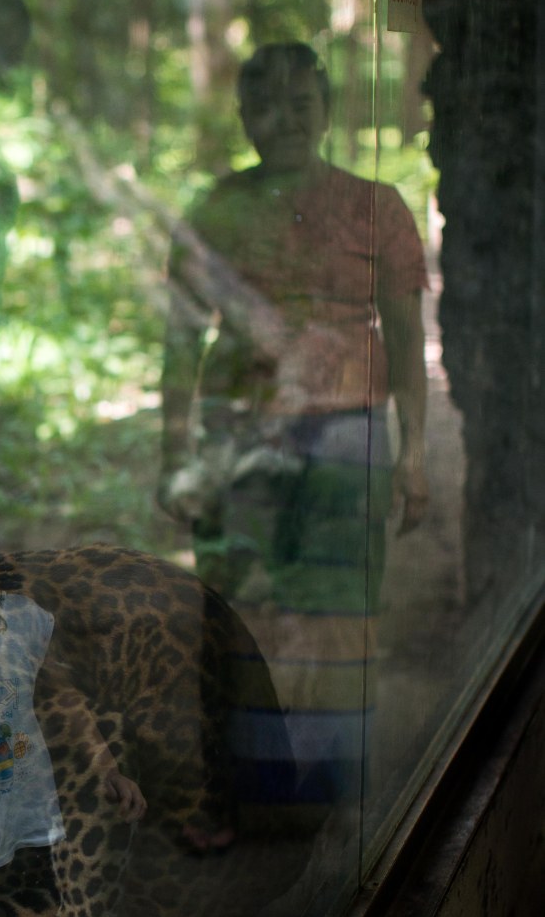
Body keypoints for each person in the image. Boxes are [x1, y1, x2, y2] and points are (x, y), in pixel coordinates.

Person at [159, 42, 429, 821]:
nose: (284, 121)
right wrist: (173, 450)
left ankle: (331, 793)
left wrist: (412, 459)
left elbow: (408, 346)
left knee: (342, 610)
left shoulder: (377, 206)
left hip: (351, 433)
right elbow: (181, 339)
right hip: (238, 431)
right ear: (243, 116)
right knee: (240, 603)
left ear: (326, 113)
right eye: (266, 106)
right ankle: (250, 790)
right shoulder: (215, 208)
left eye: (301, 104)